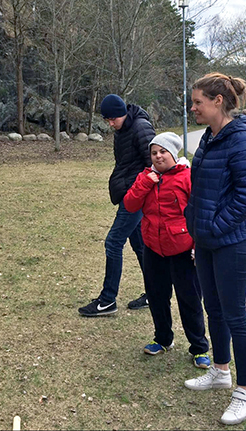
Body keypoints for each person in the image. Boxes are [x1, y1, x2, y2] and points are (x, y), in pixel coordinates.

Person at [183, 73, 246, 425]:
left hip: (231, 241)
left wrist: (213, 227)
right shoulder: (208, 138)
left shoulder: (241, 139)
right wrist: (195, 225)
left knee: (235, 315)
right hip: (206, 240)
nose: (193, 107)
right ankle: (220, 370)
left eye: (198, 101)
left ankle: (244, 392)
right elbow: (199, 186)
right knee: (213, 308)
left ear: (218, 101)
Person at [123, 132, 211, 368]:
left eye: (163, 152)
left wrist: (197, 246)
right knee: (157, 296)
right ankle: (163, 339)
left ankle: (199, 348)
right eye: (154, 153)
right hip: (152, 248)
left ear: (173, 154)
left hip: (182, 250)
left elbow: (199, 214)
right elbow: (130, 204)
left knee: (190, 300)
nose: (158, 156)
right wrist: (145, 182)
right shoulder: (146, 176)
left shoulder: (187, 177)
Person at [78, 94, 155, 317]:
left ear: (123, 112)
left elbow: (155, 162)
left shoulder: (141, 127)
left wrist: (138, 191)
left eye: (113, 119)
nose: (110, 124)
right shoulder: (123, 130)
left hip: (135, 197)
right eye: (107, 120)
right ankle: (154, 292)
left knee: (113, 243)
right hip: (127, 194)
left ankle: (107, 300)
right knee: (140, 246)